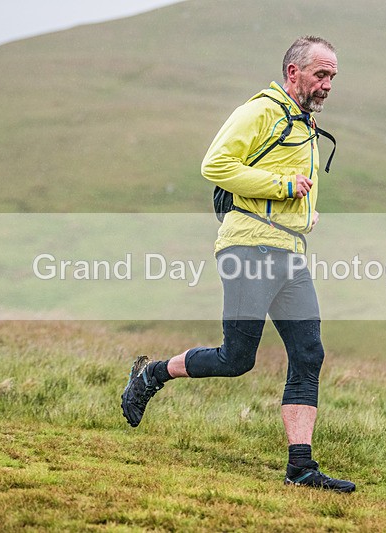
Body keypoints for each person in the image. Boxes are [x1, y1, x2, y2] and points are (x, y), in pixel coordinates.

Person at [121, 36, 354, 493]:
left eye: (332, 77)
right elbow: (216, 164)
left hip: (289, 252)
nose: (327, 85)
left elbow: (289, 185)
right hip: (248, 248)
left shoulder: (303, 122)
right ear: (293, 73)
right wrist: (283, 187)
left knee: (309, 354)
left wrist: (304, 215)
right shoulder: (262, 110)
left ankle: (300, 468)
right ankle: (151, 374)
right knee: (236, 358)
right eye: (320, 75)